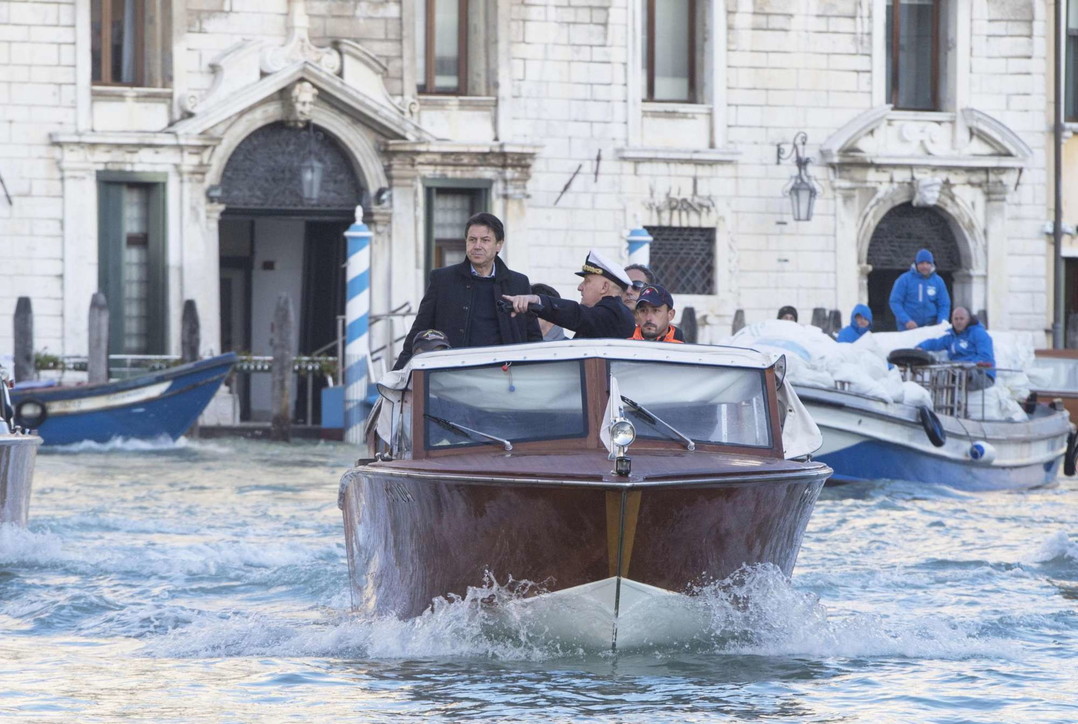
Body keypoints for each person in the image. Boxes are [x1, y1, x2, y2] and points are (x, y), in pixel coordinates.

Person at [393, 212, 541, 370]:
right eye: (472, 240)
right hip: (454, 376)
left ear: (499, 244)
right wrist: (397, 377)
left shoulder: (518, 283)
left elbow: (533, 336)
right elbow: (419, 330)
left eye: (485, 240)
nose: (477, 246)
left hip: (506, 377)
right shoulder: (442, 280)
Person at [500, 249, 635, 339]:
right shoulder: (605, 313)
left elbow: (577, 314)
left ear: (604, 287)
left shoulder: (614, 314)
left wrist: (538, 301)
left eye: (587, 281)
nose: (580, 287)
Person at [915, 307, 995, 390]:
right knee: (940, 376)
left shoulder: (978, 333)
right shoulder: (951, 337)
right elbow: (935, 343)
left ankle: (955, 400)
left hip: (981, 374)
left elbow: (985, 357)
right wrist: (920, 348)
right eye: (956, 319)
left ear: (968, 319)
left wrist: (965, 366)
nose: (958, 322)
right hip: (958, 372)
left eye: (961, 319)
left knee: (955, 375)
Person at [889, 248, 951, 330]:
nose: (924, 266)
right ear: (916, 264)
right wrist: (906, 321)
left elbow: (944, 304)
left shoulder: (938, 281)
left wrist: (941, 321)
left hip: (931, 327)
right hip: (908, 328)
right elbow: (895, 302)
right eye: (921, 263)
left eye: (928, 263)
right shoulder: (904, 279)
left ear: (932, 264)